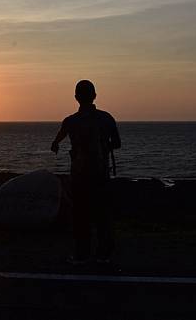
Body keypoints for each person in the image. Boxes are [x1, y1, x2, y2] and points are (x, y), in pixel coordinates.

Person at [51, 80, 121, 265]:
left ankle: (82, 254)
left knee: (81, 216)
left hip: (80, 176)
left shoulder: (70, 121)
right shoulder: (107, 118)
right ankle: (103, 255)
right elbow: (117, 143)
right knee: (102, 216)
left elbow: (57, 140)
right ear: (95, 96)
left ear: (76, 98)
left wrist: (58, 145)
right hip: (101, 174)